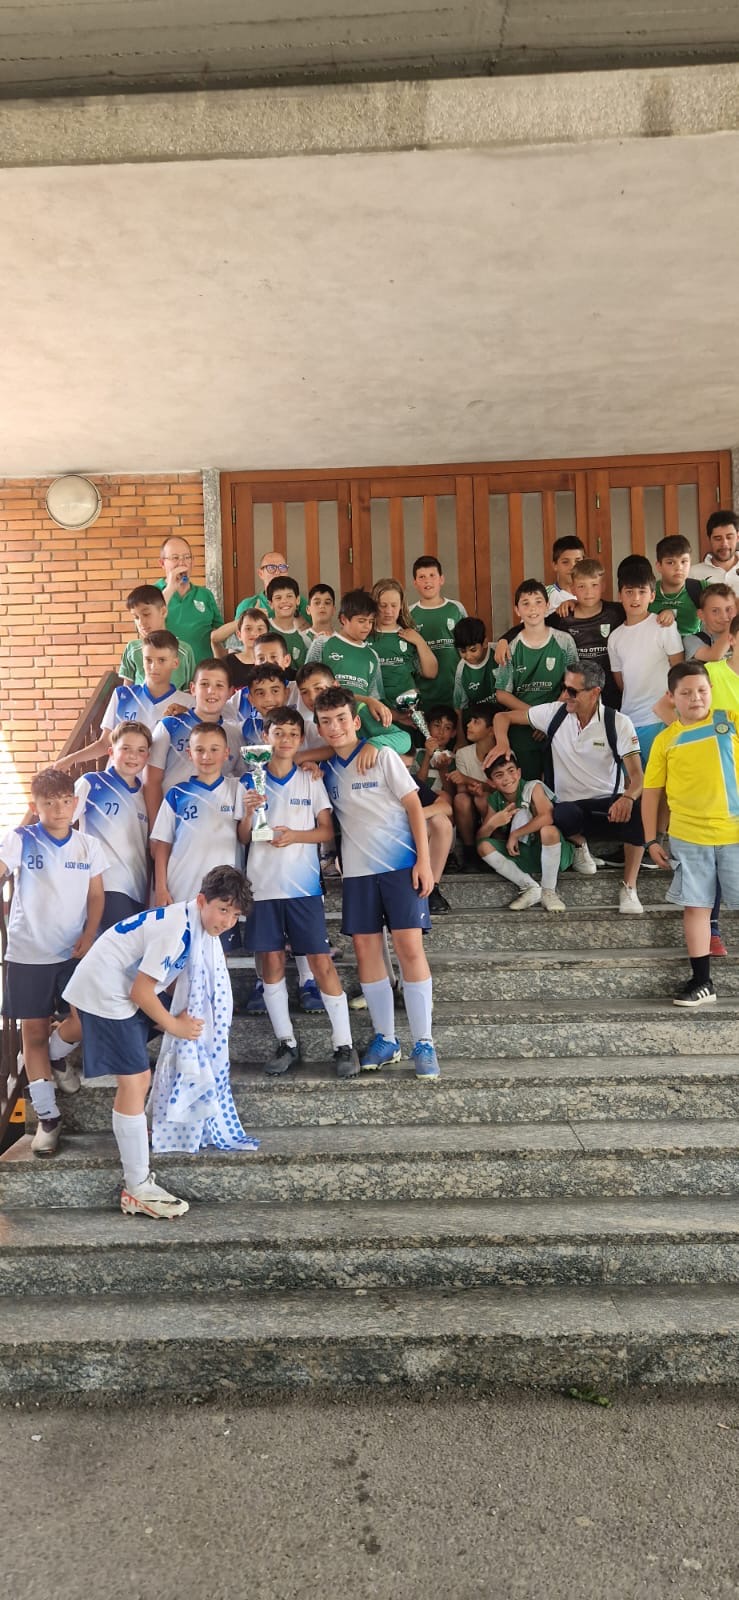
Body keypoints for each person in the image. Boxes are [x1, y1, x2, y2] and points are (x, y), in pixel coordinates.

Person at [62, 867, 252, 1216]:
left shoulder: (192, 922)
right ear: (201, 900)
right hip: (108, 990)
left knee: (86, 1027)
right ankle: (136, 1187)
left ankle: (55, 1054)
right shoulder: (177, 930)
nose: (227, 921)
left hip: (113, 979)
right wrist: (175, 1025)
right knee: (137, 1080)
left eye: (235, 914)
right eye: (223, 909)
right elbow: (141, 991)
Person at [315, 686, 440, 1078]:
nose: (335, 727)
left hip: (401, 866)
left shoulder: (382, 755)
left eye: (341, 719)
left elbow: (414, 805)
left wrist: (424, 861)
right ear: (319, 728)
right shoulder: (325, 768)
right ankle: (386, 1039)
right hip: (358, 874)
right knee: (367, 952)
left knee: (409, 949)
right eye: (325, 722)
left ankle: (424, 1041)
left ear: (355, 721)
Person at [241, 706, 360, 1079]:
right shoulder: (251, 779)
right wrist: (249, 813)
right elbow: (243, 836)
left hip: (303, 888)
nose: (286, 740)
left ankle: (344, 1044)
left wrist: (295, 836)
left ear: (301, 739)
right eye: (278, 733)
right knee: (272, 963)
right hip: (261, 888)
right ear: (266, 737)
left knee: (321, 962)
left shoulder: (310, 778)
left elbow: (326, 831)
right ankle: (286, 1042)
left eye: (293, 734)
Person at [0, 768, 105, 1157]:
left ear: (74, 803)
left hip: (73, 951)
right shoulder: (21, 838)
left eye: (64, 801)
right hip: (28, 951)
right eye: (49, 803)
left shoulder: (88, 845)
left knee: (87, 1017)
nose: (59, 809)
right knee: (33, 1034)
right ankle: (48, 1118)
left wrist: (90, 934)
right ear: (36, 806)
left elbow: (96, 896)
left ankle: (58, 1055)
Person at [488, 660, 646, 914]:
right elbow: (502, 717)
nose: (564, 695)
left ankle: (629, 888)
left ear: (594, 693)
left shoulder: (618, 722)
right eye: (563, 687)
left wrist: (628, 798)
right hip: (568, 810)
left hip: (608, 806)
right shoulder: (555, 712)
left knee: (638, 810)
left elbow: (638, 776)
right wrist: (502, 742)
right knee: (558, 812)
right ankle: (580, 846)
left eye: (572, 691)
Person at [641, 662, 739, 1006]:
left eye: (701, 690)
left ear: (711, 691)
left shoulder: (731, 721)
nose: (695, 697)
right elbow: (651, 793)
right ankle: (702, 982)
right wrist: (651, 839)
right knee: (696, 908)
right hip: (688, 836)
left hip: (735, 833)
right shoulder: (665, 740)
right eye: (685, 692)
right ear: (671, 697)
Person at [56, 631, 190, 771]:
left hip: (158, 781)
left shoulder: (188, 703)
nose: (153, 666)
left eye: (161, 660)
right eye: (148, 660)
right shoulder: (122, 696)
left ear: (175, 663)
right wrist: (70, 759)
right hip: (118, 780)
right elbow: (105, 743)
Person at [150, 723, 248, 906]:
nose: (206, 756)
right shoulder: (177, 794)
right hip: (180, 890)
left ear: (226, 753)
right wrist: (161, 888)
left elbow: (245, 837)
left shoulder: (238, 789)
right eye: (200, 750)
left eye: (214, 749)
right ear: (190, 753)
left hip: (225, 893)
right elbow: (162, 846)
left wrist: (249, 814)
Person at [493, 579, 579, 779]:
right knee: (528, 787)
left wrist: (549, 717)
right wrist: (536, 718)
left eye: (538, 602)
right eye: (526, 603)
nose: (532, 609)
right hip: (523, 732)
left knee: (559, 786)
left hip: (558, 725)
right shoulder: (511, 646)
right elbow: (502, 694)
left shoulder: (564, 641)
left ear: (547, 606)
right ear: (517, 610)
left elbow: (574, 684)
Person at [144, 657, 243, 826]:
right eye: (204, 684)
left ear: (230, 692)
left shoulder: (235, 734)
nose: (211, 691)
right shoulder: (170, 725)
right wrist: (156, 829)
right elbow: (151, 782)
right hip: (174, 825)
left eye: (219, 685)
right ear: (192, 688)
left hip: (219, 827)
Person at [74, 721, 151, 932]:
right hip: (104, 885)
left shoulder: (146, 796)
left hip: (136, 888)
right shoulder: (91, 783)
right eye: (126, 748)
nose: (133, 756)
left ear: (148, 756)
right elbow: (61, 822)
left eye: (141, 750)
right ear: (111, 752)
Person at [607, 557, 683, 765]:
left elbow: (679, 670)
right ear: (620, 595)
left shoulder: (663, 626)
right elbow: (621, 681)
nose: (635, 598)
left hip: (658, 718)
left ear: (652, 595)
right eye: (629, 592)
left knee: (661, 778)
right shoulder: (614, 637)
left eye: (642, 591)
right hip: (628, 721)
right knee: (632, 780)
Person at [477, 752, 572, 911]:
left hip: (550, 851)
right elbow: (480, 838)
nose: (507, 778)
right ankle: (530, 887)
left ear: (519, 772)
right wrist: (493, 824)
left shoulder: (532, 787)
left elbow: (547, 816)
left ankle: (549, 891)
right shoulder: (495, 798)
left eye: (511, 771)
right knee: (483, 846)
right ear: (491, 782)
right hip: (522, 855)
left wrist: (515, 834)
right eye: (499, 775)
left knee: (549, 830)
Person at [305, 589, 391, 725]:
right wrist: (366, 700)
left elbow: (374, 698)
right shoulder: (323, 643)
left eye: (371, 621)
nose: (367, 626)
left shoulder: (372, 655)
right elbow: (307, 684)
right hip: (326, 720)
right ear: (344, 619)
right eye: (361, 621)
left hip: (360, 724)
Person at [371, 577, 438, 716]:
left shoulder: (410, 635)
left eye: (394, 605)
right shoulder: (365, 635)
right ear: (374, 605)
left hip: (407, 712)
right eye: (383, 605)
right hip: (375, 712)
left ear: (401, 605)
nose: (388, 611)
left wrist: (419, 641)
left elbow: (431, 672)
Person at [409, 556, 467, 716]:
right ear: (415, 583)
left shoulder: (456, 608)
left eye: (432, 575)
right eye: (422, 577)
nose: (427, 581)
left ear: (441, 579)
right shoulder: (409, 614)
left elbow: (468, 643)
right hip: (425, 694)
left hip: (456, 690)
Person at [156, 535, 223, 664]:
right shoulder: (153, 593)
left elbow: (219, 633)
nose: (182, 563)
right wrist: (171, 587)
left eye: (187, 557)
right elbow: (146, 629)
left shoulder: (205, 595)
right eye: (175, 558)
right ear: (162, 563)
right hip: (168, 671)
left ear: (193, 562)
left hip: (201, 671)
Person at [119, 585, 196, 691]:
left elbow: (190, 691)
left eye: (146, 614)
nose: (141, 622)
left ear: (163, 612)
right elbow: (127, 691)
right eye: (136, 617)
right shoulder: (132, 649)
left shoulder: (184, 651)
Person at [447, 707, 496, 870]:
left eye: (476, 722)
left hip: (494, 808)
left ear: (491, 730)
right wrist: (475, 788)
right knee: (461, 799)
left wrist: (469, 780)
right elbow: (461, 790)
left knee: (483, 799)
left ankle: (492, 844)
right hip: (471, 807)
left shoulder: (503, 753)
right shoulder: (463, 754)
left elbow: (505, 790)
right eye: (469, 721)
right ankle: (470, 852)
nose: (468, 725)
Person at [234, 550, 310, 624]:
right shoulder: (248, 604)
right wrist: (250, 618)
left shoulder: (299, 602)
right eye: (271, 568)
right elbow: (237, 631)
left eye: (282, 567)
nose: (277, 572)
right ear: (260, 573)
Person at [650, 535, 703, 637]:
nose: (679, 567)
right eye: (670, 562)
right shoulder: (647, 592)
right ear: (659, 566)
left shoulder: (701, 588)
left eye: (684, 561)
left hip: (694, 646)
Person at [452, 616, 497, 738]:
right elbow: (459, 708)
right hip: (480, 726)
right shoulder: (462, 669)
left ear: (485, 643)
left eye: (473, 650)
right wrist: (461, 738)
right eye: (462, 651)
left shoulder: (499, 653)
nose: (468, 656)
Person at [210, 605, 269, 686]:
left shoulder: (272, 662)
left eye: (260, 629)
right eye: (248, 629)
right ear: (239, 635)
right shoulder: (228, 662)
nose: (254, 633)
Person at [265, 575, 310, 670]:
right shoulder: (263, 628)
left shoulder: (303, 637)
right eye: (278, 598)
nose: (284, 601)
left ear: (297, 600)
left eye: (289, 596)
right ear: (270, 604)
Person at [690, 509, 739, 595]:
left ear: (737, 537)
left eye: (729, 537)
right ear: (709, 539)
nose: (724, 544)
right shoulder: (692, 574)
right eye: (718, 538)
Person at [684, 584, 736, 662]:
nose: (724, 616)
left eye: (729, 609)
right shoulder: (691, 640)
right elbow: (714, 656)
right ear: (701, 615)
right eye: (715, 611)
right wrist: (734, 623)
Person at [413, 706, 457, 795]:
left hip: (444, 801)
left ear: (453, 733)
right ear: (427, 727)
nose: (441, 732)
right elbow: (416, 788)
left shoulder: (454, 759)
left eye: (447, 728)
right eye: (437, 725)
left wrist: (443, 769)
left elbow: (451, 794)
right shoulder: (416, 755)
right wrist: (427, 756)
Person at [546, 536, 586, 607]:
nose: (572, 567)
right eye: (565, 562)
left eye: (578, 561)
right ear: (555, 565)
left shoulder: (590, 594)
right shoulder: (544, 595)